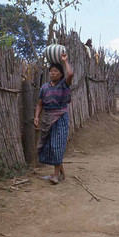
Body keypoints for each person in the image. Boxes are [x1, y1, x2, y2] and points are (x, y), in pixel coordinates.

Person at [34, 52, 74, 184]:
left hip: (60, 117)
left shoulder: (64, 84)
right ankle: (62, 172)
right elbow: (40, 104)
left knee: (57, 145)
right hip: (47, 118)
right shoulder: (44, 87)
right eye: (51, 71)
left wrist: (65, 61)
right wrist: (36, 117)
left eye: (55, 71)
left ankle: (55, 176)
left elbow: (70, 74)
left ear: (61, 74)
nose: (52, 73)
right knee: (50, 146)